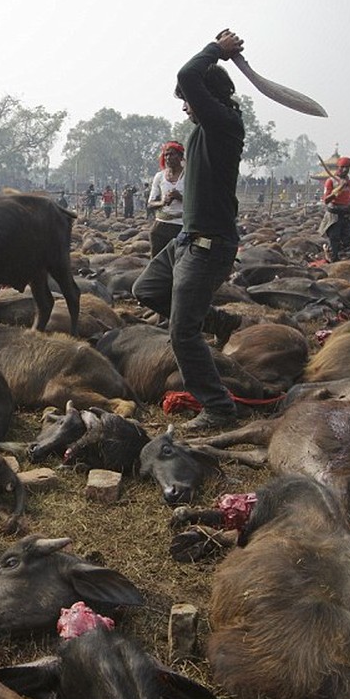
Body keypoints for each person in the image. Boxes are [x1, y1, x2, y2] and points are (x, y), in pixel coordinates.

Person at [132, 30, 245, 432]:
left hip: (208, 245)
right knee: (145, 291)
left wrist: (217, 52)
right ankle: (217, 321)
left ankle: (218, 408)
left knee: (182, 334)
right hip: (184, 240)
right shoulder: (203, 129)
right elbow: (191, 80)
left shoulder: (223, 126)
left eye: (187, 100)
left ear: (207, 98)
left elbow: (188, 73)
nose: (184, 108)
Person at [146, 141, 186, 257]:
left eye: (172, 154)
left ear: (180, 156)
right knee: (157, 263)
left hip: (182, 225)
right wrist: (163, 202)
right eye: (166, 155)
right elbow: (150, 204)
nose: (168, 157)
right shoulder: (159, 177)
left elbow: (198, 203)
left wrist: (180, 197)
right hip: (161, 226)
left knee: (180, 262)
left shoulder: (189, 176)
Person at [318, 156, 350, 262]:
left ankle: (345, 253)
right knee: (334, 237)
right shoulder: (330, 181)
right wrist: (339, 189)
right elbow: (326, 200)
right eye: (342, 167)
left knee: (349, 236)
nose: (345, 169)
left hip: (347, 213)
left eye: (347, 167)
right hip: (334, 214)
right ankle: (332, 255)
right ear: (338, 167)